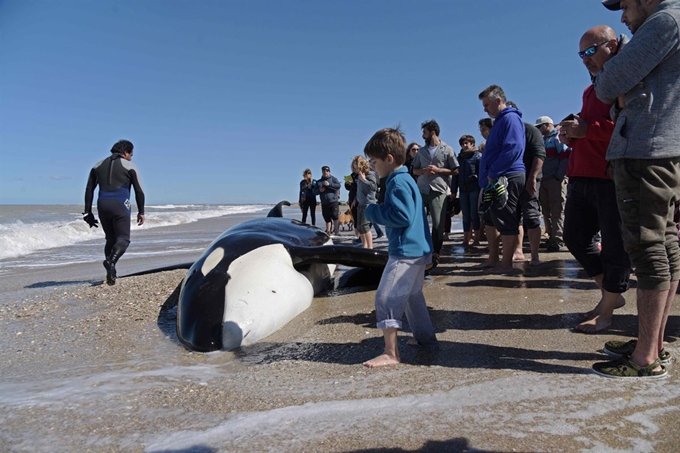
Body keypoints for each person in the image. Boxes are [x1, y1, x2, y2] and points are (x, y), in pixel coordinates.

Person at [590, 0, 680, 379]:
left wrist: (616, 90)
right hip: (658, 148)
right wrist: (619, 99)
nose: (623, 17)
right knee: (665, 243)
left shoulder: (663, 21)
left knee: (647, 249)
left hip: (645, 151)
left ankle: (645, 357)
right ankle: (653, 343)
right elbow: (614, 101)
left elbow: (607, 85)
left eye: (624, 5)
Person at [559, 25, 632, 335]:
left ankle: (606, 310)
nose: (585, 58)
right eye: (581, 54)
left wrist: (587, 130)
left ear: (612, 46)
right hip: (581, 175)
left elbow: (628, 126)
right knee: (574, 237)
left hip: (609, 176)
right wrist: (572, 135)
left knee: (615, 246)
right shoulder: (591, 90)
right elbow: (591, 128)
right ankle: (610, 296)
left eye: (591, 51)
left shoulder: (622, 83)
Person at [362, 127, 438, 368]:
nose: (372, 166)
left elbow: (402, 216)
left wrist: (373, 211)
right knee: (412, 297)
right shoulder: (407, 179)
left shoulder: (396, 182)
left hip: (405, 252)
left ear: (389, 159)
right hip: (419, 250)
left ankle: (391, 353)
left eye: (374, 162)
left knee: (386, 298)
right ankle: (426, 340)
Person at [477, 85, 526, 274]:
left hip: (506, 177)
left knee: (506, 220)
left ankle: (506, 264)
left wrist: (494, 173)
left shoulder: (511, 119)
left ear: (498, 101)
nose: (484, 108)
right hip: (493, 179)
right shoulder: (499, 121)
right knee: (490, 220)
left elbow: (513, 149)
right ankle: (493, 259)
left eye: (487, 104)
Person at [83, 139, 146, 286]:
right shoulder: (130, 166)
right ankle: (111, 261)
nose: (131, 157)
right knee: (123, 239)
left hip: (102, 205)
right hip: (120, 205)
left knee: (110, 239)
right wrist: (141, 211)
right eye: (131, 154)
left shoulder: (97, 165)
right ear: (125, 153)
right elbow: (139, 190)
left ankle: (111, 273)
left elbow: (89, 189)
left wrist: (87, 212)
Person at [412, 120, 459, 268]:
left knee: (438, 224)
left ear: (433, 132)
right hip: (422, 190)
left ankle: (435, 253)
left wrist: (439, 171)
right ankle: (420, 251)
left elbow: (456, 170)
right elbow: (414, 170)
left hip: (438, 190)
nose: (422, 135)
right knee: (418, 221)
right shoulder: (421, 151)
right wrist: (423, 171)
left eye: (424, 132)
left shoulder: (448, 149)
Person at [536, 116, 571, 252]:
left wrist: (559, 176)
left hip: (555, 179)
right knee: (546, 210)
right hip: (544, 179)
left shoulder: (557, 138)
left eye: (539, 127)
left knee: (557, 209)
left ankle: (558, 239)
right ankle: (551, 237)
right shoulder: (543, 141)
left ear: (546, 125)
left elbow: (565, 157)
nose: (538, 129)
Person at [450, 135, 482, 250]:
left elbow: (482, 173)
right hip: (463, 190)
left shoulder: (478, 156)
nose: (464, 145)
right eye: (463, 143)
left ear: (472, 144)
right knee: (466, 216)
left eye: (466, 143)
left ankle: (477, 239)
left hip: (474, 189)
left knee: (474, 214)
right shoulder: (459, 158)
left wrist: (477, 179)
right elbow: (455, 176)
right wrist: (453, 191)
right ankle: (466, 239)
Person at [352, 155, 378, 249]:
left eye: (356, 166)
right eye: (354, 167)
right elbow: (359, 190)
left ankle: (370, 247)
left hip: (368, 204)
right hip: (360, 203)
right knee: (359, 226)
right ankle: (364, 245)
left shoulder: (370, 174)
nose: (355, 169)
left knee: (365, 226)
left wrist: (364, 180)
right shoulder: (359, 176)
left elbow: (373, 187)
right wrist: (355, 199)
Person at [315, 166, 342, 236]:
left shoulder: (333, 179)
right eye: (324, 171)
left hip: (333, 201)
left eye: (327, 171)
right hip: (324, 202)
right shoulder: (319, 182)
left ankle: (336, 231)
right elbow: (314, 192)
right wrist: (319, 190)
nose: (325, 172)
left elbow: (338, 186)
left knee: (335, 216)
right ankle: (328, 232)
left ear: (329, 172)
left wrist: (329, 184)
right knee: (326, 217)